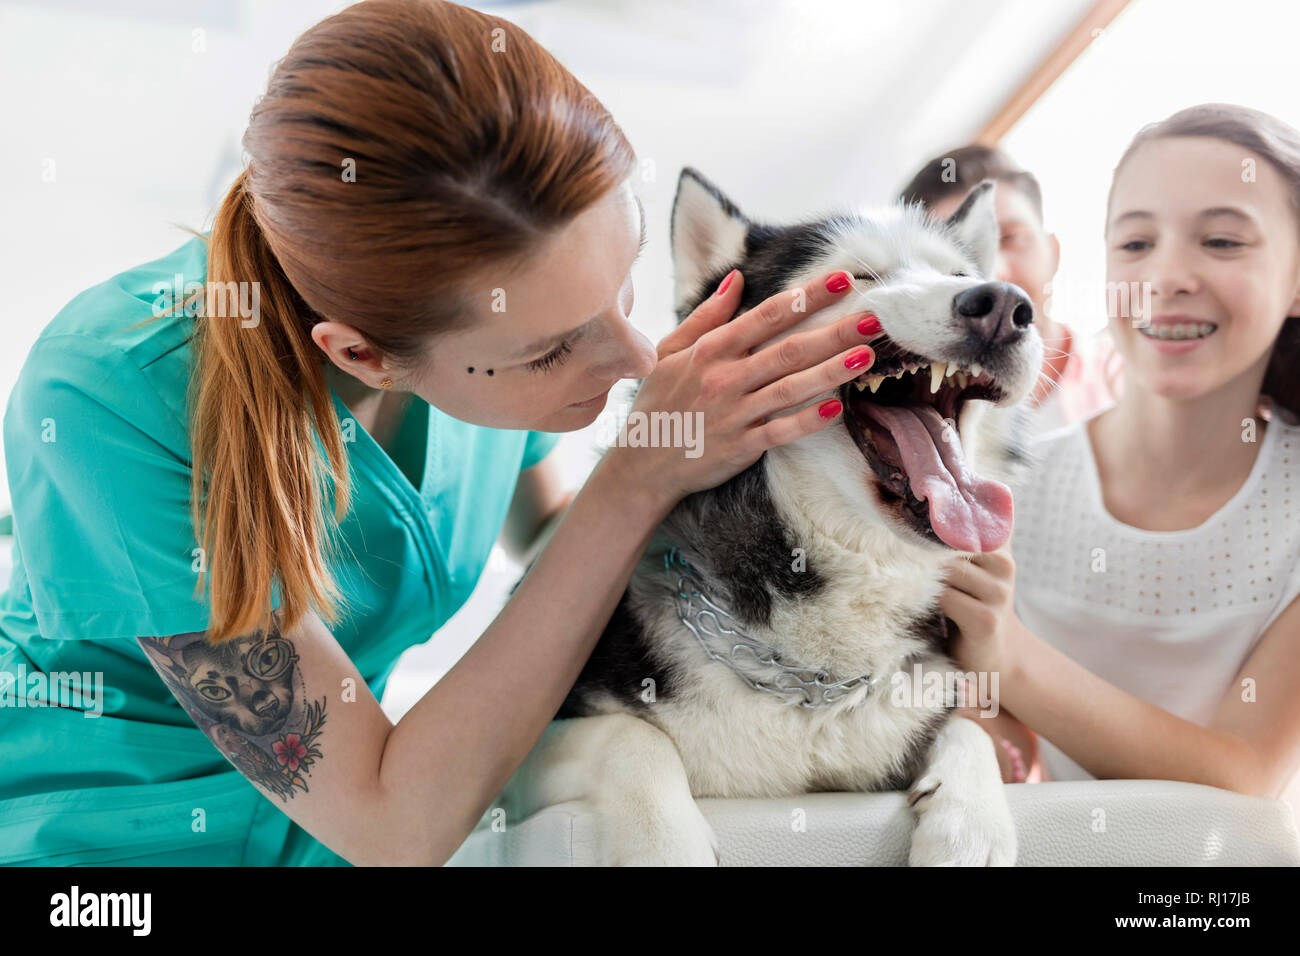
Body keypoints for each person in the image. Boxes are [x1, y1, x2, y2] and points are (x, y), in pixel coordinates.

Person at [0, 0, 881, 866]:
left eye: (621, 286)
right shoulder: (107, 398)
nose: (634, 358)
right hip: (105, 838)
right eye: (550, 351)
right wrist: (637, 476)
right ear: (365, 354)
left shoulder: (494, 329)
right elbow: (394, 826)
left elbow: (550, 538)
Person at [938, 104, 1300, 815]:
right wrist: (976, 719)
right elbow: (1010, 757)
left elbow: (1244, 778)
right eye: (1136, 244)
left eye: (1222, 240)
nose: (1166, 276)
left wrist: (1009, 658)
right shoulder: (1007, 491)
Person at [899, 144, 1120, 435]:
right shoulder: (905, 413)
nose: (994, 273)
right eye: (959, 253)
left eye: (1011, 238)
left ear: (1053, 252)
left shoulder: (1131, 381)